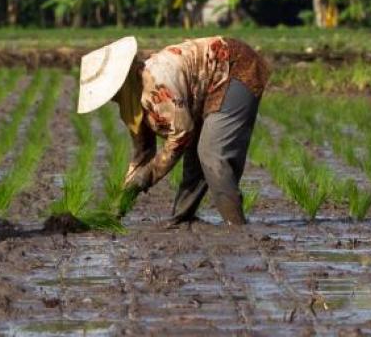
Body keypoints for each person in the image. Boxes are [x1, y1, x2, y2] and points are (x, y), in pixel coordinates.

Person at [77, 36, 270, 225]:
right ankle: (182, 217)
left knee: (211, 153)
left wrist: (147, 176)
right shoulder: (132, 105)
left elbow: (182, 134)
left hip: (233, 67)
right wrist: (122, 199)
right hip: (206, 89)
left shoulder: (156, 84)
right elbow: (142, 153)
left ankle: (236, 225)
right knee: (196, 152)